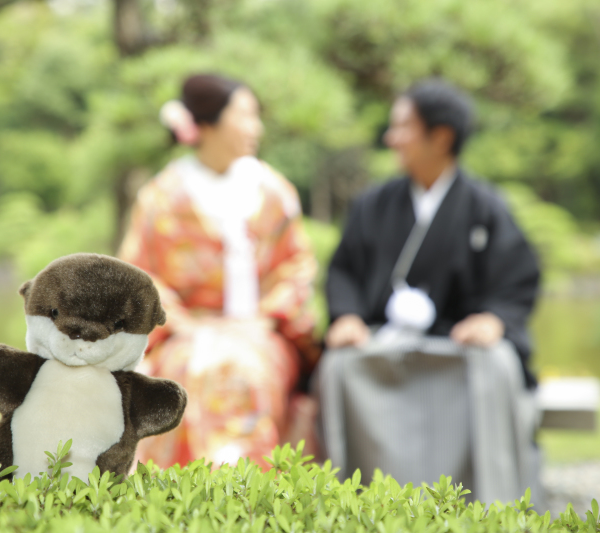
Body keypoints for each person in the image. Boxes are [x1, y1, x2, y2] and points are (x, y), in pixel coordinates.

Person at [319, 79, 542, 502]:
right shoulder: (373, 204)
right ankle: (353, 502)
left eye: (402, 126)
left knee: (496, 365)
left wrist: (493, 320)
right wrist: (346, 316)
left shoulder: (486, 207)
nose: (391, 138)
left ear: (440, 137)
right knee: (338, 367)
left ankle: (488, 504)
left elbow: (518, 277)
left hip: (458, 350)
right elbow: (343, 269)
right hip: (382, 347)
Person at [118, 74, 320, 469]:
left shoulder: (274, 192)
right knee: (185, 377)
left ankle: (251, 500)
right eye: (245, 115)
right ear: (207, 124)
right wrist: (185, 326)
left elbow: (297, 265)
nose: (255, 127)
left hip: (262, 330)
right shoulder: (163, 196)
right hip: (187, 333)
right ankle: (184, 504)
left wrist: (267, 317)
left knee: (246, 371)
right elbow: (141, 276)